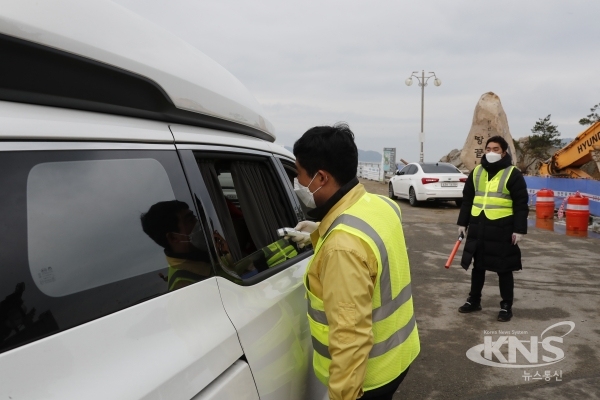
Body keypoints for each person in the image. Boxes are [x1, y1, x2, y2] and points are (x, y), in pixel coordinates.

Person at [291, 123, 419, 400]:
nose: (297, 183)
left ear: (321, 177)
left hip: (369, 378)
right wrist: (320, 231)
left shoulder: (342, 248)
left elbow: (350, 338)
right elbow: (371, 254)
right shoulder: (383, 205)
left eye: (298, 175)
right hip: (400, 353)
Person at [457, 135, 529, 322]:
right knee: (478, 266)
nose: (491, 152)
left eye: (496, 149)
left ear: (504, 152)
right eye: (488, 149)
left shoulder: (512, 174)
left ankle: (506, 306)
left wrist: (519, 230)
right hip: (479, 227)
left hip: (502, 229)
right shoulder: (476, 172)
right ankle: (474, 301)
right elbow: (467, 200)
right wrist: (462, 224)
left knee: (504, 268)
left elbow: (521, 204)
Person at [141, 200, 213, 291]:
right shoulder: (183, 285)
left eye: (194, 217)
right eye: (191, 220)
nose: (199, 223)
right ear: (173, 238)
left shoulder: (203, 254)